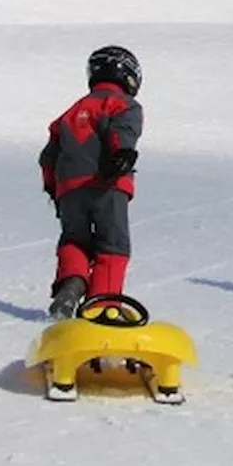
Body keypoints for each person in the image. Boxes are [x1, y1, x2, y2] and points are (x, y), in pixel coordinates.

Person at [39, 45, 143, 319]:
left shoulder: (70, 112)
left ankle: (71, 283)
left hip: (69, 189)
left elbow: (48, 156)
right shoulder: (123, 104)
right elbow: (122, 131)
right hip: (107, 182)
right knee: (113, 245)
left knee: (75, 239)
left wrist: (54, 188)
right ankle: (102, 306)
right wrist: (122, 154)